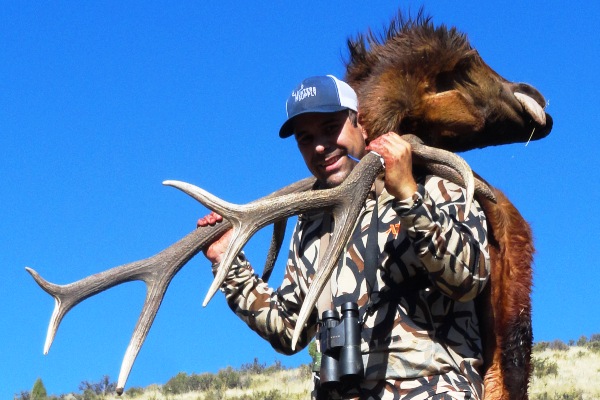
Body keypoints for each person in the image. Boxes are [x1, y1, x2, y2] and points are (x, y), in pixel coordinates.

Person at [197, 75, 490, 400]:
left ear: (360, 123)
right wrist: (228, 262)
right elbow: (289, 331)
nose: (320, 146)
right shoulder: (312, 223)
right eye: (305, 139)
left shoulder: (433, 184)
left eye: (330, 127)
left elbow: (469, 277)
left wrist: (408, 197)